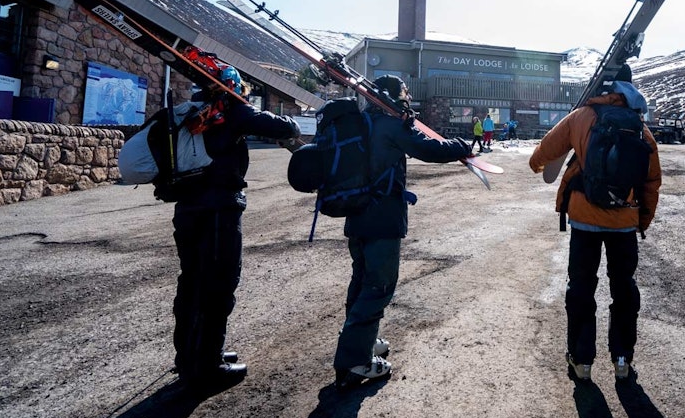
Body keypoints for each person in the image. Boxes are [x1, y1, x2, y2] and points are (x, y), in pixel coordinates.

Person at [333, 75, 471, 388]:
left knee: (361, 280)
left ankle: (359, 340)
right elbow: (430, 150)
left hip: (356, 215)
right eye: (405, 92)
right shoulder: (391, 125)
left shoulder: (363, 122)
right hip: (382, 218)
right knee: (378, 287)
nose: (408, 97)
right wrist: (461, 146)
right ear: (394, 96)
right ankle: (355, 362)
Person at [170, 65, 301, 393]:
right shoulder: (234, 111)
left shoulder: (190, 111)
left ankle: (189, 356)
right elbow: (289, 125)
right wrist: (246, 107)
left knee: (191, 281)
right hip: (220, 210)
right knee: (219, 284)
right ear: (231, 87)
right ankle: (209, 366)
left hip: (186, 208)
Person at [528, 63, 661, 382]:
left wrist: (536, 164)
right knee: (624, 289)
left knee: (582, 288)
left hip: (585, 221)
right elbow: (652, 181)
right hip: (624, 223)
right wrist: (640, 220)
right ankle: (622, 360)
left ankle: (582, 360)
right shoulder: (639, 126)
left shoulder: (582, 116)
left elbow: (547, 149)